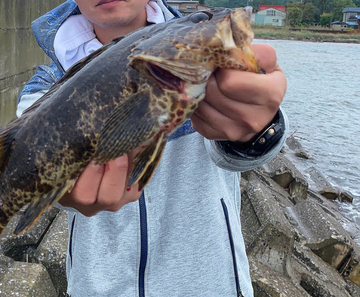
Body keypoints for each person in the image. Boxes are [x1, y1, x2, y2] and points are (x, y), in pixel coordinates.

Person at [17, 0, 288, 296]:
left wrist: (260, 130)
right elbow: (32, 174)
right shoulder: (44, 89)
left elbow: (240, 155)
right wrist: (62, 191)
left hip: (213, 285)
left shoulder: (200, 45)